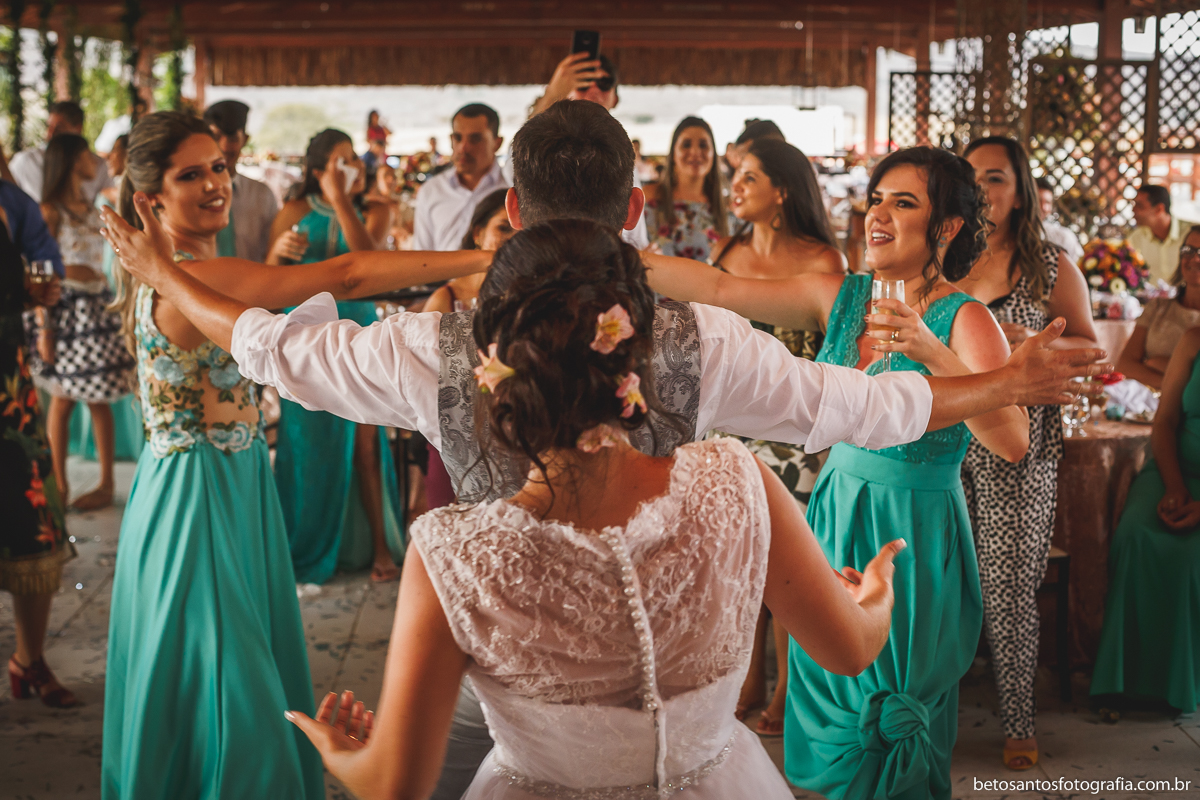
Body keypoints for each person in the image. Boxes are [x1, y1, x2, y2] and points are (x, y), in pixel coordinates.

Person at [103, 101, 1108, 800]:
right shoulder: (718, 404)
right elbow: (852, 404)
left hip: (505, 691)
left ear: (511, 211)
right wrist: (999, 387)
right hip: (698, 720)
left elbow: (275, 350)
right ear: (633, 212)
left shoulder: (431, 384)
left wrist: (166, 276)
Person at [96, 111, 493, 800]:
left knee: (209, 655)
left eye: (219, 167)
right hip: (199, 491)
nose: (216, 184)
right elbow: (346, 273)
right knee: (226, 663)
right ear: (150, 200)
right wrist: (484, 259)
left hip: (221, 475)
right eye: (191, 175)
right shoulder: (192, 275)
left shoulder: (172, 273)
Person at [645, 145, 1036, 799]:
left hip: (910, 535)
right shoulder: (840, 296)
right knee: (825, 700)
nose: (877, 214)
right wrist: (602, 251)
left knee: (889, 707)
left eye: (903, 203)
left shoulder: (967, 318)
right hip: (830, 516)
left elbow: (1013, 441)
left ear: (946, 227)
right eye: (876, 199)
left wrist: (931, 352)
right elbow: (716, 288)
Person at [957, 136, 1099, 771]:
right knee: (938, 576)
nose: (982, 189)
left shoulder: (1049, 265)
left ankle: (1018, 720)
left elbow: (1089, 352)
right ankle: (928, 708)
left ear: (1020, 193)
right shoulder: (946, 257)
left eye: (996, 178)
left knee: (1010, 586)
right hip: (943, 436)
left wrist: (1026, 343)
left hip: (1019, 447)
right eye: (972, 177)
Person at [709, 136, 846, 735]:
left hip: (796, 430)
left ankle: (789, 684)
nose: (735, 187)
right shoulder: (725, 253)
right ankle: (747, 675)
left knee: (788, 562)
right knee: (739, 558)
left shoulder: (824, 260)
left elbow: (836, 353)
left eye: (749, 177)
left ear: (782, 191)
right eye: (735, 176)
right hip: (731, 426)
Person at [268, 129, 401, 584]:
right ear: (318, 170)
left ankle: (379, 544)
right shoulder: (293, 211)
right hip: (304, 336)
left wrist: (340, 198)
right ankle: (304, 540)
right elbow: (267, 279)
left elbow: (368, 263)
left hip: (359, 333)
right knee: (305, 444)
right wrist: (276, 252)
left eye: (355, 160)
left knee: (366, 442)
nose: (355, 168)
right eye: (342, 162)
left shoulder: (375, 210)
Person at [1091, 325, 1200, 715]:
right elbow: (1165, 421)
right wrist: (1174, 486)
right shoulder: (1193, 339)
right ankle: (1122, 679)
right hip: (1175, 469)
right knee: (1136, 532)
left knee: (1187, 557)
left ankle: (1177, 684)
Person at [25, 134, 133, 511]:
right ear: (73, 159)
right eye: (87, 153)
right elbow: (38, 268)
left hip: (96, 305)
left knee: (96, 396)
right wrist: (45, 327)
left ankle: (104, 483)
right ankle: (61, 485)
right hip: (65, 309)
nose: (94, 160)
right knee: (63, 398)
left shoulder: (92, 205)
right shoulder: (50, 210)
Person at [2, 202, 76, 709]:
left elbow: (45, 262)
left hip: (9, 394)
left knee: (35, 522)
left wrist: (32, 296)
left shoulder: (9, 203)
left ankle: (29, 658)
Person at [424, 187, 515, 511]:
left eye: (520, 231)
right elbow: (424, 374)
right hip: (452, 433)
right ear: (478, 234)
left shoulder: (527, 299)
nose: (512, 239)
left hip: (512, 436)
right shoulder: (446, 299)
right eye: (502, 228)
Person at [524, 52, 650, 249]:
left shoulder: (623, 158)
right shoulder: (548, 154)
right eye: (583, 83)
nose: (593, 91)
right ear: (566, 92)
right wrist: (551, 96)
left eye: (604, 84)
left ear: (615, 99)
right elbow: (520, 163)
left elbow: (636, 239)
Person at [414, 104, 508, 252]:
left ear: (497, 143)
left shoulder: (510, 189)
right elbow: (421, 254)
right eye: (457, 138)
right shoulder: (431, 190)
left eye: (475, 139)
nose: (463, 148)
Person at [1117, 226, 1200, 390]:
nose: (1195, 258)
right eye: (1189, 250)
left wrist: (1155, 364)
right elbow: (1124, 365)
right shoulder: (1157, 307)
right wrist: (1174, 387)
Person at [203, 99, 284, 263]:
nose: (224, 147)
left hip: (255, 278)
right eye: (216, 137)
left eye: (232, 138)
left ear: (245, 139)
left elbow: (272, 252)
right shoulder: (192, 193)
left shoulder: (262, 195)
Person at [643, 116, 729, 261]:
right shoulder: (648, 198)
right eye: (686, 145)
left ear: (713, 154)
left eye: (703, 145)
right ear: (673, 154)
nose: (695, 151)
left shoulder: (727, 208)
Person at [10, 101, 111, 204]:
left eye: (58, 128)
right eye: (48, 127)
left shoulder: (96, 165)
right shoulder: (26, 161)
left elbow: (109, 199)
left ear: (78, 129)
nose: (50, 134)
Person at [1131, 184, 1189, 285]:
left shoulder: (1191, 235)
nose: (1133, 210)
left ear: (1159, 209)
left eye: (1140, 206)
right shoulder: (1136, 237)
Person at [1035, 177, 1083, 265]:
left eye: (1047, 202)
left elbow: (1079, 264)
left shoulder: (1063, 237)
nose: (1043, 207)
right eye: (1038, 201)